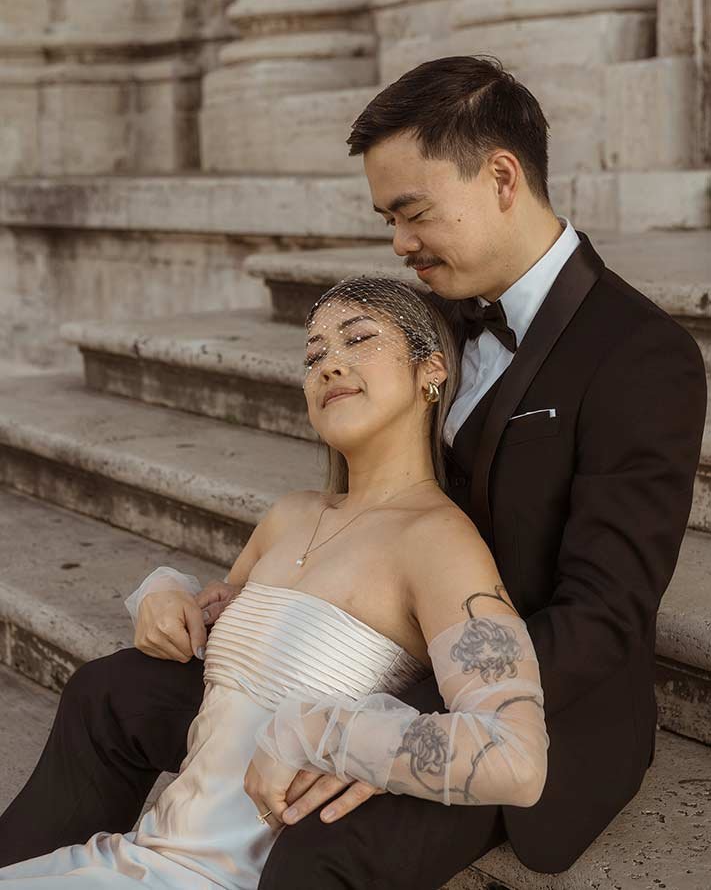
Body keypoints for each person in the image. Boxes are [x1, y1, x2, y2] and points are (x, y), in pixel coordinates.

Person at [0, 55, 705, 887]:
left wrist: (376, 728)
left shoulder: (639, 355)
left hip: (505, 710)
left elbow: (606, 614)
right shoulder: (411, 321)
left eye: (412, 212)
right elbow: (352, 520)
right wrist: (201, 601)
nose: (400, 243)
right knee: (111, 692)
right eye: (387, 219)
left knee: (314, 843)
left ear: (502, 178)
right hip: (358, 657)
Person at [0, 277, 549, 887]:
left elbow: (515, 757)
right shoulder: (290, 514)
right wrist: (165, 590)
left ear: (432, 372)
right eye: (314, 355)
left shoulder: (441, 544)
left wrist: (317, 733)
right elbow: (234, 636)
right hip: (139, 855)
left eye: (358, 339)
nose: (330, 364)